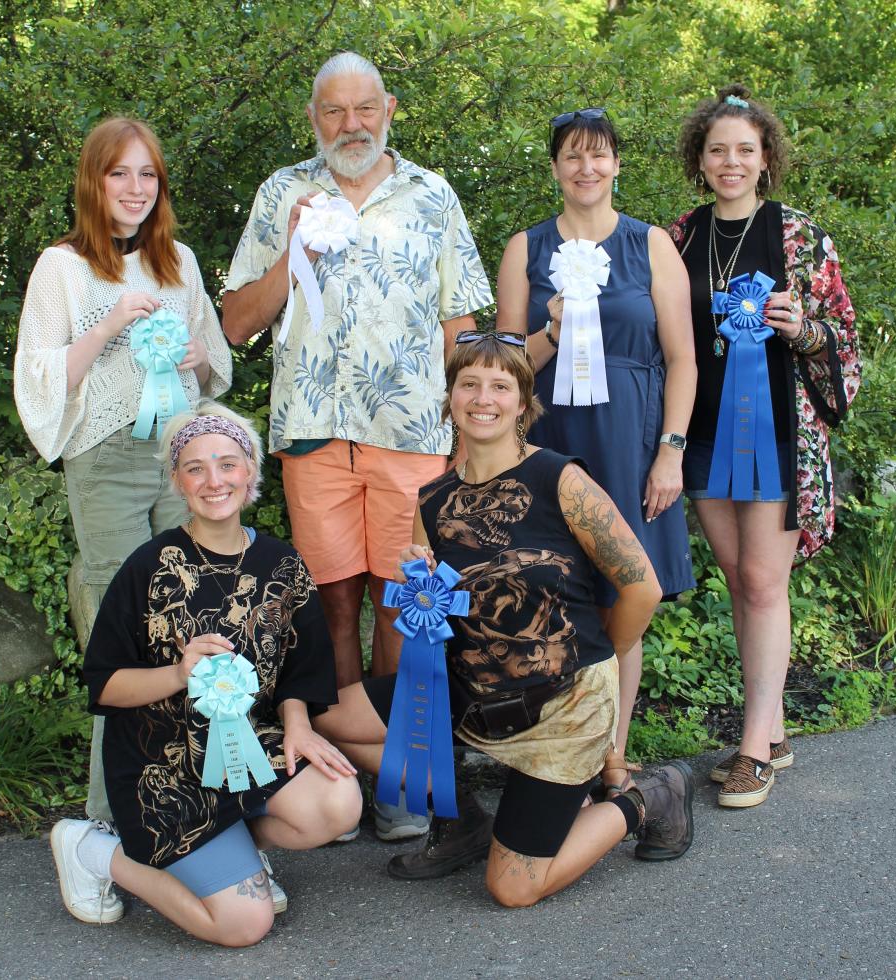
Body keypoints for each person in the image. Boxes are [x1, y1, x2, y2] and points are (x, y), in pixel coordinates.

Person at [314, 333, 695, 908]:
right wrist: (416, 584)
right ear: (450, 398)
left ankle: (647, 800)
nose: (482, 397)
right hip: (471, 695)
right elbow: (427, 619)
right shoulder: (432, 500)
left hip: (562, 707)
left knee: (513, 889)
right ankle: (461, 818)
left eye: (500, 385)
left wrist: (601, 660)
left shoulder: (559, 478)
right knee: (330, 716)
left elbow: (642, 586)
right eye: (469, 383)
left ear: (523, 401)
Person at [222, 51, 493, 839]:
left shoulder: (432, 195)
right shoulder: (283, 192)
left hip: (411, 436)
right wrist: (292, 247)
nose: (351, 125)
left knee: (403, 608)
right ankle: (341, 769)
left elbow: (460, 326)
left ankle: (400, 781)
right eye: (334, 112)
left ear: (390, 108)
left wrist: (471, 430)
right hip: (312, 430)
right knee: (330, 604)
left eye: (364, 108)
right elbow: (239, 321)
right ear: (314, 119)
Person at [13, 117, 232, 909]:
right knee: (121, 633)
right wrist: (109, 326)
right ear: (93, 182)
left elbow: (215, 370)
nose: (136, 189)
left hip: (180, 459)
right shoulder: (62, 268)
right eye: (120, 175)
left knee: (191, 624)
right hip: (104, 461)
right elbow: (41, 378)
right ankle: (102, 836)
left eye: (148, 175)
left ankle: (189, 819)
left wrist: (194, 356)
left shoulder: (181, 264)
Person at [50, 403, 362, 944]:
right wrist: (178, 673)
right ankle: (96, 854)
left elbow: (302, 669)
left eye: (227, 463)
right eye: (195, 467)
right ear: (176, 480)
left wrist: (298, 724)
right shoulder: (147, 567)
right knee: (245, 926)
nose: (213, 480)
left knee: (339, 800)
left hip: (248, 750)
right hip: (164, 764)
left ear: (251, 473)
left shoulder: (282, 564)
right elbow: (103, 684)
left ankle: (239, 852)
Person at [495, 108, 697, 797]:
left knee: (625, 596)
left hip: (631, 442)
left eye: (600, 156)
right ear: (554, 167)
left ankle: (612, 754)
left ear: (617, 165)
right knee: (549, 596)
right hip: (550, 446)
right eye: (573, 157)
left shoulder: (652, 246)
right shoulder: (526, 248)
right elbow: (504, 372)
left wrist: (670, 452)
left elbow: (684, 359)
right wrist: (549, 330)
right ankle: (556, 751)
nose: (587, 168)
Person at [669, 84, 861, 807]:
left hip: (779, 428)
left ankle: (753, 751)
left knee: (762, 583)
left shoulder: (800, 236)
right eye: (717, 149)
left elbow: (839, 336)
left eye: (745, 149)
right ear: (700, 158)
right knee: (736, 577)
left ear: (766, 158)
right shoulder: (679, 236)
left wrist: (802, 329)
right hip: (706, 430)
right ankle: (772, 730)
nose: (731, 161)